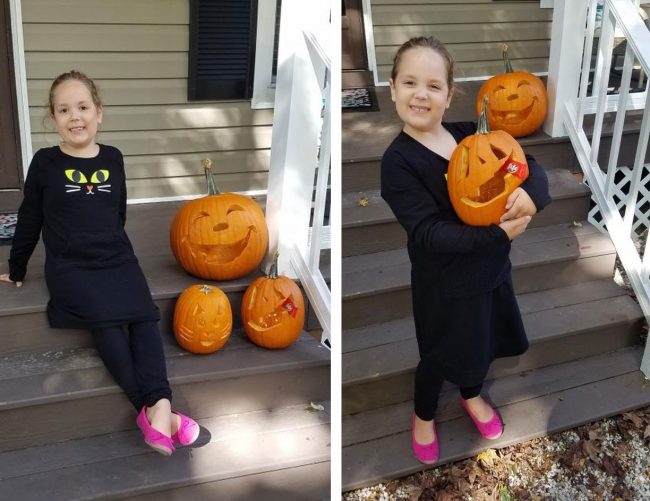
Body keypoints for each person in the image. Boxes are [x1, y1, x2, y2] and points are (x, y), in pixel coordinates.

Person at [0, 70, 200, 456]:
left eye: (82, 107)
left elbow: (117, 211)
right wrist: (19, 267)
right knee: (107, 321)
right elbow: (29, 218)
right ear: (53, 119)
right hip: (72, 265)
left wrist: (115, 248)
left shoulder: (113, 158)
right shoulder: (44, 163)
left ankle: (158, 408)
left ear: (99, 113)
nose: (74, 116)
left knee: (143, 315)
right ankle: (162, 413)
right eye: (63, 109)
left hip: (116, 256)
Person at [380, 37, 551, 464]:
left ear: (449, 95)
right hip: (443, 285)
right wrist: (500, 236)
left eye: (434, 86)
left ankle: (472, 395)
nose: (421, 94)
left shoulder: (470, 136)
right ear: (393, 88)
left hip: (490, 274)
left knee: (483, 342)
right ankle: (423, 414)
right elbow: (429, 233)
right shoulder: (398, 163)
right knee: (438, 354)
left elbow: (523, 163)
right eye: (410, 82)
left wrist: (533, 193)